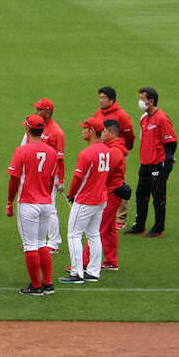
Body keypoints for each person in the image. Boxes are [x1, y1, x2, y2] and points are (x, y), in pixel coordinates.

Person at [7, 114, 59, 296]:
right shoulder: (51, 152)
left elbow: (14, 179)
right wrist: (46, 196)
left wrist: (9, 201)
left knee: (30, 245)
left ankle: (36, 286)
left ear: (27, 129)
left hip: (29, 203)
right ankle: (48, 284)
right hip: (46, 203)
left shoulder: (22, 151)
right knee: (42, 243)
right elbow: (52, 180)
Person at [58, 119, 109, 285]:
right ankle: (93, 272)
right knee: (94, 234)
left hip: (86, 200)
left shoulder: (87, 153)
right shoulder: (106, 150)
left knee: (74, 235)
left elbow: (78, 177)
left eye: (85, 128)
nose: (82, 131)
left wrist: (71, 194)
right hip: (100, 199)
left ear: (92, 131)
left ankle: (76, 274)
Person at [128, 86, 178, 237]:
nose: (140, 102)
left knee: (158, 196)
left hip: (159, 163)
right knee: (141, 194)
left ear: (151, 101)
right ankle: (139, 226)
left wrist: (168, 160)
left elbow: (171, 141)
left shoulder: (161, 118)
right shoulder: (144, 118)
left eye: (142, 99)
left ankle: (158, 228)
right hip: (145, 163)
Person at [83, 119, 127, 271]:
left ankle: (84, 262)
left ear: (112, 133)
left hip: (110, 193)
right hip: (115, 192)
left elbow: (104, 175)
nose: (101, 134)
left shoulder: (113, 151)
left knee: (97, 228)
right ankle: (111, 261)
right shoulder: (115, 149)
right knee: (109, 228)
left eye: (104, 131)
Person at [90, 86, 136, 228]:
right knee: (101, 181)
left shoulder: (121, 115)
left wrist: (123, 150)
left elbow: (129, 135)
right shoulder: (98, 114)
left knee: (118, 183)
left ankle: (121, 218)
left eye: (103, 98)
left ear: (111, 100)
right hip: (101, 152)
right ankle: (102, 212)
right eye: (100, 97)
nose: (100, 100)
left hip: (116, 153)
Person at [31, 98, 65, 252]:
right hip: (36, 174)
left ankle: (54, 242)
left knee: (50, 209)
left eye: (40, 109)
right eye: (36, 109)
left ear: (48, 112)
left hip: (50, 176)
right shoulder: (37, 127)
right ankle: (39, 241)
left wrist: (60, 180)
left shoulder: (57, 132)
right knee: (37, 207)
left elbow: (60, 159)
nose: (36, 111)